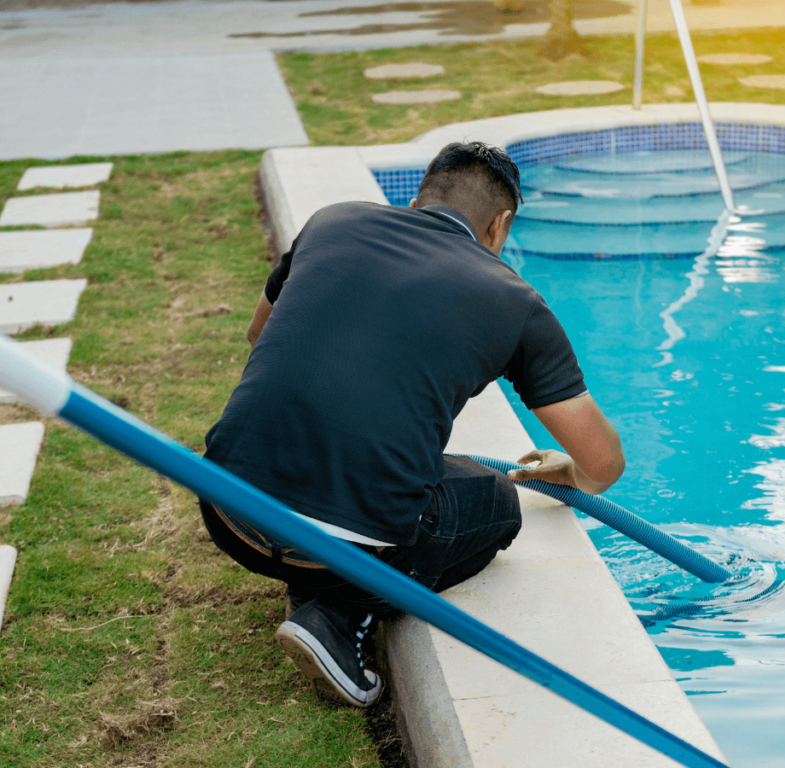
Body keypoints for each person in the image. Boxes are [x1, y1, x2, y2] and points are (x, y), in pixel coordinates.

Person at [199, 141, 625, 708]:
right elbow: (603, 466)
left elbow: (258, 336)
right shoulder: (512, 297)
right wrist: (569, 471)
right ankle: (338, 612)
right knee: (494, 499)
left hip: (228, 509)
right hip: (345, 543)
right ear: (499, 226)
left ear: (420, 195)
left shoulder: (332, 222)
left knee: (452, 471)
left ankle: (317, 569)